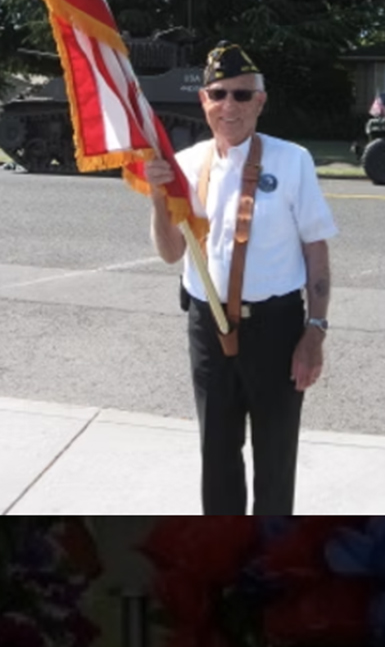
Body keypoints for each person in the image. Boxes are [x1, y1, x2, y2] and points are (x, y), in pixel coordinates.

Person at [143, 42, 337, 516]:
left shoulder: (293, 161)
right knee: (217, 457)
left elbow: (316, 249)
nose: (230, 105)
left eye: (243, 95)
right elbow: (172, 255)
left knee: (275, 459)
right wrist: (155, 194)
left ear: (261, 102)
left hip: (276, 328)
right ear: (203, 101)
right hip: (207, 329)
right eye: (219, 94)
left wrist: (315, 331)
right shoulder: (185, 165)